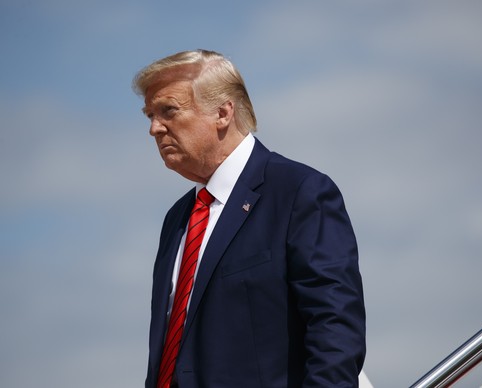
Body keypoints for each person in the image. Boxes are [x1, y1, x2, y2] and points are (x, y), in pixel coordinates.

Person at [133, 49, 366, 388]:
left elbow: (335, 327)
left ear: (223, 113)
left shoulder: (299, 192)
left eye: (168, 110)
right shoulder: (177, 220)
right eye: (150, 115)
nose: (154, 128)